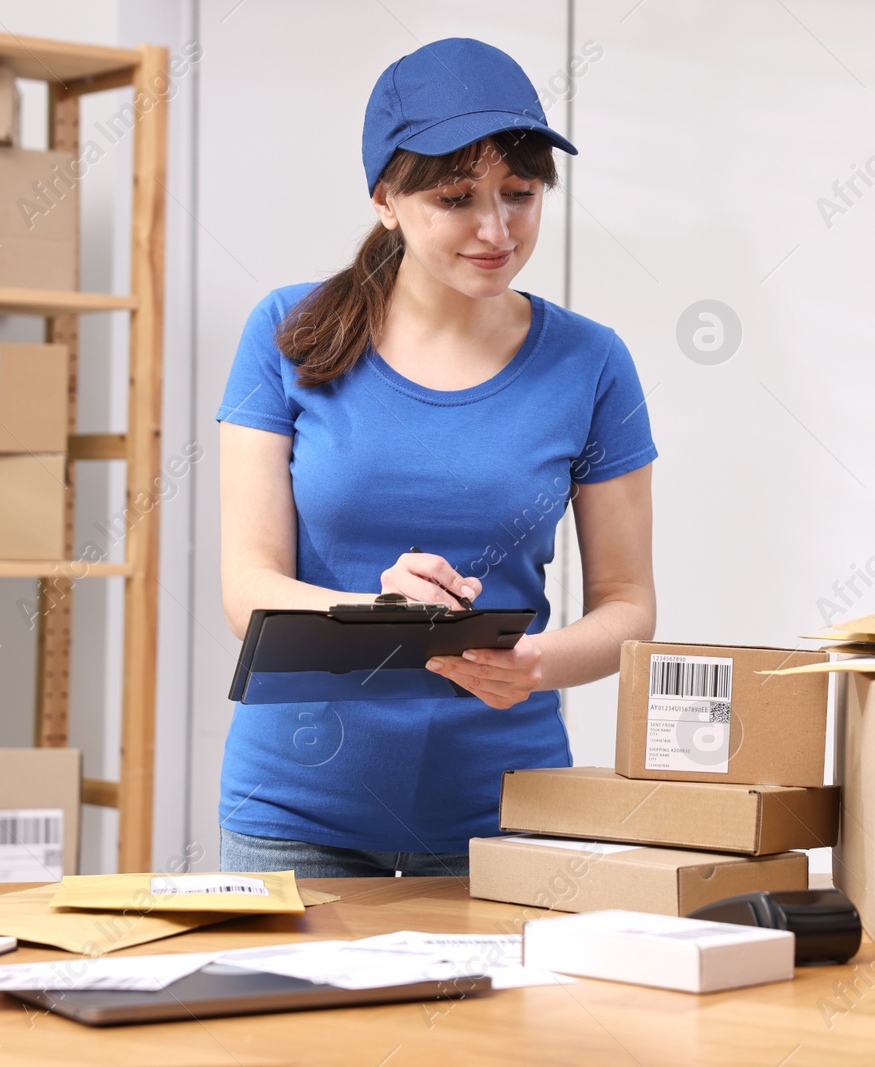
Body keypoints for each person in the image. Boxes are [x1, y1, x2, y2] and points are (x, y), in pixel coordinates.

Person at [215, 37, 658, 878]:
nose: (496, 230)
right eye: (457, 197)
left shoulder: (592, 363)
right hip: (296, 813)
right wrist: (375, 612)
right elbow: (248, 591)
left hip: (505, 816)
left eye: (520, 194)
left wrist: (536, 664)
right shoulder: (288, 332)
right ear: (387, 198)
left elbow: (629, 606)